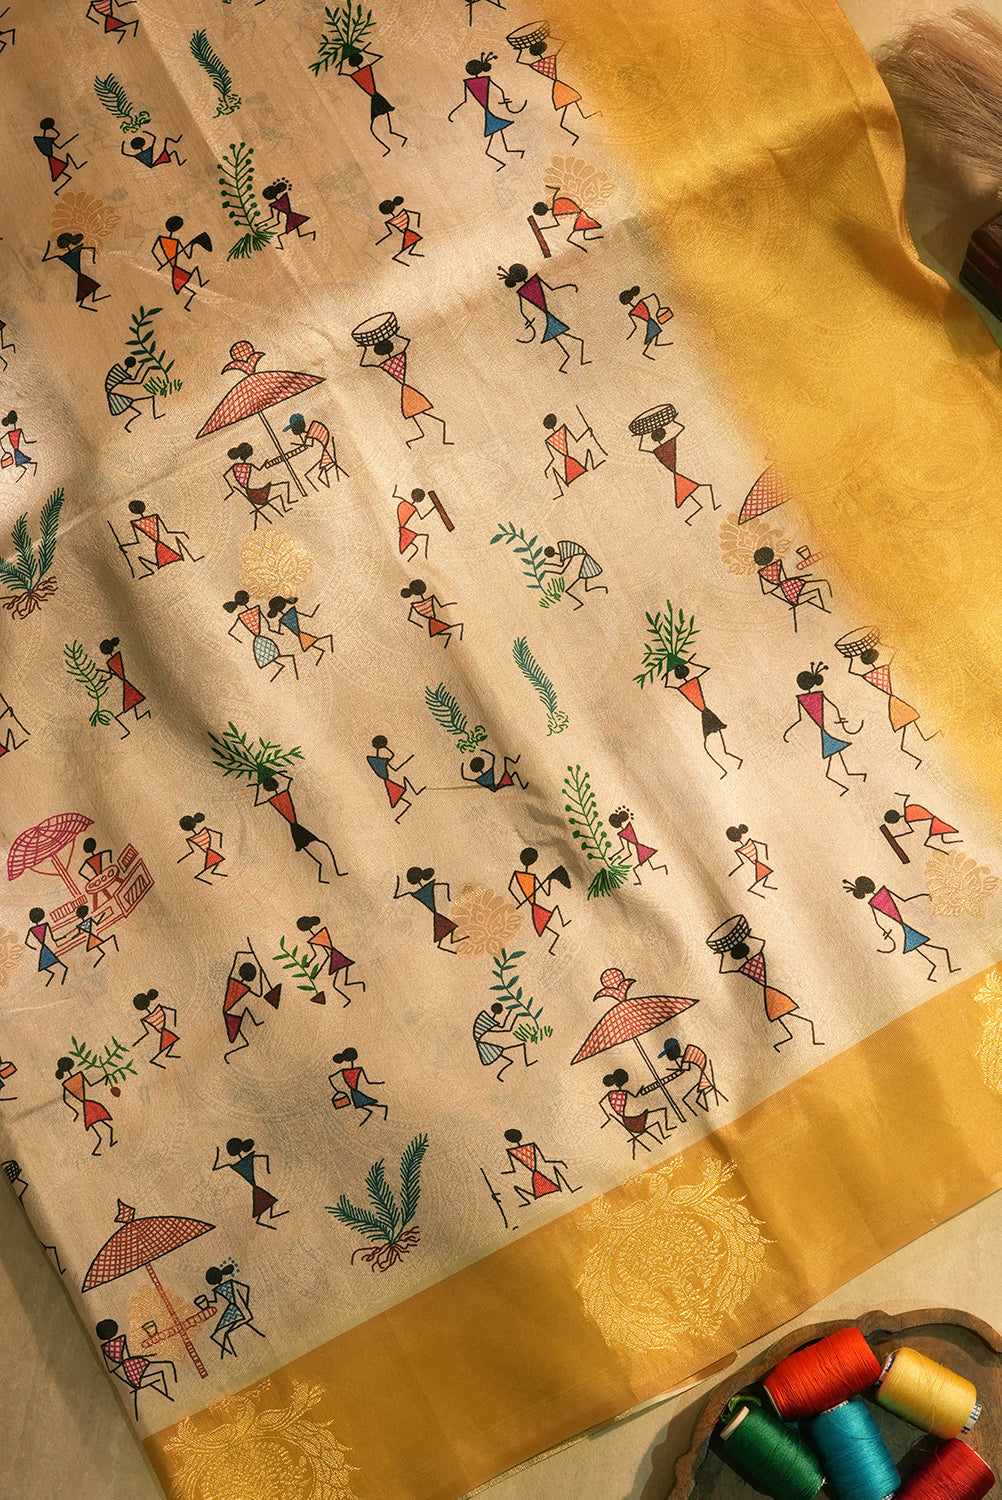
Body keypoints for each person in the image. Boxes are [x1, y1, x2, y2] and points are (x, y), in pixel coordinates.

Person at [843, 876, 958, 983]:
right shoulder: (880, 897)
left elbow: (882, 920)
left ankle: (938, 970)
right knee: (934, 949)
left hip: (906, 930)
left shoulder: (879, 898)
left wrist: (887, 932)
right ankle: (941, 970)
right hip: (906, 930)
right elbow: (901, 903)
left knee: (931, 949)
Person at [783, 661, 866, 795]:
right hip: (826, 737)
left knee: (829, 771)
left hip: (826, 738)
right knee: (836, 757)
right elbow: (833, 706)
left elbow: (800, 719)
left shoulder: (805, 698)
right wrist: (840, 719)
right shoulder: (816, 696)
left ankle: (845, 784)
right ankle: (850, 775)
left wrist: (789, 730)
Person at [254, 773, 346, 882]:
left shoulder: (276, 797)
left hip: (296, 827)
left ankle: (333, 873)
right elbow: (289, 779)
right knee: (321, 847)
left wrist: (258, 787)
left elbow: (257, 802)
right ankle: (324, 876)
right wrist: (278, 773)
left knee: (322, 846)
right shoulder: (282, 794)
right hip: (296, 828)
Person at [498, 263, 588, 373]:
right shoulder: (526, 288)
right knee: (562, 336)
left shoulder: (529, 287)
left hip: (549, 318)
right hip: (548, 318)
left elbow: (524, 310)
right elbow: (524, 310)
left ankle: (572, 356)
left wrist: (529, 322)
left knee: (565, 337)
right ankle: (572, 357)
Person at [448, 53, 524, 169]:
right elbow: (499, 89)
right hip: (490, 117)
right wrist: (504, 99)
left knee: (489, 147)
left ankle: (503, 160)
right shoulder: (483, 80)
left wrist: (455, 111)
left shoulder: (470, 82)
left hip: (490, 118)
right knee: (498, 135)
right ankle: (509, 154)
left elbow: (465, 100)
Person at [96, 1320, 176, 1419]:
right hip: (133, 1370)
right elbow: (127, 1357)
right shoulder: (121, 1340)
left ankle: (168, 1401)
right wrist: (144, 1357)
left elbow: (111, 1368)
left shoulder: (104, 1348)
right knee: (163, 1370)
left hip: (129, 1373)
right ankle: (170, 1401)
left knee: (162, 1369)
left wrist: (123, 1376)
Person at [338, 46, 407, 155]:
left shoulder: (357, 73)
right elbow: (378, 57)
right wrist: (365, 51)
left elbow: (341, 72)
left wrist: (342, 61)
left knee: (374, 126)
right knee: (374, 125)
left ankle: (394, 142)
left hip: (376, 98)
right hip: (376, 98)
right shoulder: (362, 71)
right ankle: (392, 143)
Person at [212, 1137, 289, 1227]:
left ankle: (269, 1216)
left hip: (253, 1183)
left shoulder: (238, 1163)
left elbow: (215, 1167)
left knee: (264, 1198)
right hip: (253, 1184)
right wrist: (267, 1169)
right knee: (264, 1198)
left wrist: (218, 1153)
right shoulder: (247, 1159)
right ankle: (268, 1216)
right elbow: (265, 1157)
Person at [508, 847, 571, 953]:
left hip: (534, 907)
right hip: (535, 908)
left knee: (548, 924)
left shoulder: (521, 875)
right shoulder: (528, 876)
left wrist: (520, 901)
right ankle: (562, 925)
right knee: (548, 924)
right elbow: (546, 892)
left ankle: (562, 924)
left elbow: (511, 888)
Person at [392, 865, 467, 951]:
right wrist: (448, 897)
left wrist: (398, 881)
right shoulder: (427, 887)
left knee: (445, 924)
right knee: (445, 924)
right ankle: (449, 941)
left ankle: (450, 940)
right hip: (433, 910)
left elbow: (396, 896)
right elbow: (446, 885)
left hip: (433, 910)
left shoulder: (417, 891)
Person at [598, 1069, 671, 1155]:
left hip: (627, 1122)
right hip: (636, 1123)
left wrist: (608, 1118)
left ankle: (664, 1134)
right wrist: (640, 1090)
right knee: (662, 1110)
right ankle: (665, 1133)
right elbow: (636, 1099)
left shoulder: (610, 1094)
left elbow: (601, 1103)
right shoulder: (625, 1093)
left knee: (651, 1110)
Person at [56, 1055, 115, 1155]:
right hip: (88, 1106)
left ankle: (110, 1141)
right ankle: (98, 1149)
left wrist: (76, 1112)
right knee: (102, 1128)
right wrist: (103, 1078)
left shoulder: (66, 1083)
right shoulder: (79, 1075)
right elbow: (91, 1084)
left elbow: (66, 1100)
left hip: (87, 1106)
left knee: (105, 1127)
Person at [151, 217, 211, 309]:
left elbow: (153, 251)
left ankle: (199, 286)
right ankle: (200, 284)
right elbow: (188, 256)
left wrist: (161, 263)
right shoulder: (176, 241)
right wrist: (191, 245)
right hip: (176, 272)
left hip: (175, 269)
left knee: (191, 280)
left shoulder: (162, 239)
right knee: (194, 273)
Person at [204, 1264, 264, 1357]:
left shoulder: (219, 1289)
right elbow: (246, 1288)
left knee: (219, 1334)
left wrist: (206, 1303)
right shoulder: (231, 1283)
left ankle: (230, 1354)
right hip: (236, 1311)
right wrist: (244, 1304)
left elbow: (216, 1303)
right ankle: (231, 1354)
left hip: (237, 1312)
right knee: (219, 1333)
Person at [472, 1002, 537, 1080]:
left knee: (513, 1057)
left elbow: (504, 1028)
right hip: (488, 1048)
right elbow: (506, 1028)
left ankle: (500, 1075)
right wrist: (514, 1012)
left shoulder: (482, 1028)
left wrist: (513, 1012)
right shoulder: (484, 1031)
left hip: (487, 1047)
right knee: (521, 1045)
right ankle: (525, 1064)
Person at [367, 735, 425, 821]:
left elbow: (393, 765)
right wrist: (386, 748)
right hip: (390, 783)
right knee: (404, 791)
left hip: (389, 781)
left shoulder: (375, 760)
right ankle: (415, 793)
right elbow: (393, 757)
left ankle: (415, 793)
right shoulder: (379, 761)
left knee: (403, 796)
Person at [542, 539, 607, 608]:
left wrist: (546, 569)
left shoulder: (571, 552)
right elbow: (561, 567)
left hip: (586, 566)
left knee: (570, 590)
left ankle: (581, 603)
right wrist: (547, 566)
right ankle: (603, 589)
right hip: (585, 566)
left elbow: (561, 570)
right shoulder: (570, 550)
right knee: (585, 589)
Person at [329, 1048, 387, 1124]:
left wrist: (337, 1090)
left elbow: (331, 1077)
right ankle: (381, 1108)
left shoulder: (344, 1071)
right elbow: (368, 1082)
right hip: (355, 1092)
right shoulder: (358, 1069)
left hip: (355, 1093)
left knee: (364, 1105)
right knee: (366, 1105)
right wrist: (379, 1083)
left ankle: (381, 1109)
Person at [104, 357, 163, 431]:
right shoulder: (116, 380)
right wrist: (146, 366)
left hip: (117, 399)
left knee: (140, 411)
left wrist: (145, 365)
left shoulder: (115, 379)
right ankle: (155, 416)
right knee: (150, 398)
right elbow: (138, 381)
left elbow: (136, 380)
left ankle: (128, 426)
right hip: (118, 399)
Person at [33, 118, 87, 194]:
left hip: (52, 159)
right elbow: (59, 144)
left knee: (66, 175)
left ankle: (57, 190)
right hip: (54, 161)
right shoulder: (47, 141)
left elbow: (58, 145)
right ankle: (57, 190)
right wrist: (70, 139)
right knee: (67, 174)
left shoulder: (42, 140)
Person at [619, 285, 673, 358]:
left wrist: (630, 335)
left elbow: (635, 326)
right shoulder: (640, 304)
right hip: (649, 321)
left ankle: (652, 345)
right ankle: (649, 348)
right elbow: (653, 295)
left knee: (653, 331)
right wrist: (659, 308)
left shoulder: (632, 312)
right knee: (653, 331)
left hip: (649, 320)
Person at [725, 824, 776, 897]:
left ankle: (763, 885)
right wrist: (766, 856)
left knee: (764, 872)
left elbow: (742, 862)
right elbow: (764, 845)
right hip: (755, 861)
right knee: (764, 872)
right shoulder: (749, 843)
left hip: (755, 861)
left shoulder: (744, 846)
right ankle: (759, 886)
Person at [132, 990, 180, 1066]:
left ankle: (163, 1056)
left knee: (170, 1041)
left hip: (162, 1030)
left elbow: (147, 1032)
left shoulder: (147, 1018)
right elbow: (173, 1011)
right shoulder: (158, 1008)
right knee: (170, 1041)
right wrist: (174, 1023)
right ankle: (162, 1056)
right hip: (162, 1030)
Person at [262, 180, 315, 248]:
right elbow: (276, 220)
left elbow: (274, 219)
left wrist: (265, 227)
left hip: (291, 219)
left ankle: (282, 246)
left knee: (279, 236)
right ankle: (312, 233)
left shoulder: (276, 204)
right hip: (294, 217)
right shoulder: (283, 198)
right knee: (299, 233)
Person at [25, 908, 68, 987]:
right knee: (64, 968)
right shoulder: (45, 925)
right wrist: (61, 938)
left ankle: (51, 985)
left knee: (57, 970)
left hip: (43, 951)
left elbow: (27, 942)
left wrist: (34, 948)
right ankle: (57, 985)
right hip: (46, 951)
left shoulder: (32, 929)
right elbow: (53, 938)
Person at [376, 196, 423, 263]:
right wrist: (418, 224)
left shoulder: (391, 220)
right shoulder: (403, 212)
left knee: (413, 240)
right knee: (412, 241)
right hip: (406, 232)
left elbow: (390, 233)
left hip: (406, 232)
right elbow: (418, 214)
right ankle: (404, 254)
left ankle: (407, 253)